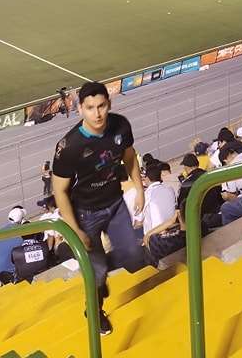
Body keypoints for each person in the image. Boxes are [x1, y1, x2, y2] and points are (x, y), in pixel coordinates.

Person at [52, 81, 148, 335]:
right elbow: (59, 191)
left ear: (109, 104)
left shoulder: (120, 126)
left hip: (115, 203)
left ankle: (100, 273)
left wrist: (139, 188)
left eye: (102, 106)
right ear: (80, 109)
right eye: (90, 108)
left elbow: (129, 155)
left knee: (134, 256)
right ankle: (94, 310)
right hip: (86, 214)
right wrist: (76, 230)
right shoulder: (69, 146)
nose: (97, 114)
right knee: (97, 273)